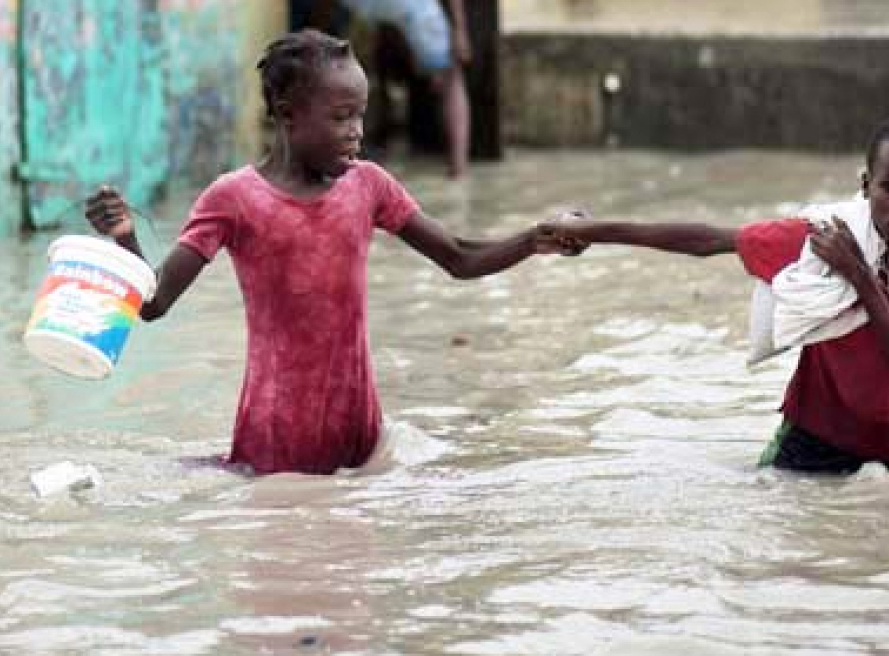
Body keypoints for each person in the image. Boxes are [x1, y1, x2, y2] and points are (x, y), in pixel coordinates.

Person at [85, 28, 573, 476]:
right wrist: (126, 238)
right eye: (341, 117)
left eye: (360, 114)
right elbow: (153, 305)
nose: (356, 130)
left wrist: (532, 240)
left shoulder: (370, 186)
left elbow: (459, 257)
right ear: (286, 110)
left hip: (360, 438)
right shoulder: (234, 198)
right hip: (275, 449)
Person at [544, 115, 889, 477]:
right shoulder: (822, 239)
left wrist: (858, 275)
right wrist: (589, 231)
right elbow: (706, 240)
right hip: (812, 437)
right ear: (865, 185)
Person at [341, 0, 472, 178]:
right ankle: (458, 168)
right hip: (411, 7)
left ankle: (340, 164)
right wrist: (459, 29)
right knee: (452, 79)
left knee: (345, 78)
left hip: (361, 7)